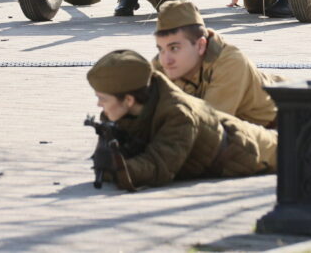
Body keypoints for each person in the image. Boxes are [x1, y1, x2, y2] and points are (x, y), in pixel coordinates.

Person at [86, 49, 277, 190]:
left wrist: (119, 167)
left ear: (128, 100)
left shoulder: (178, 115)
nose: (98, 105)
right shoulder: (122, 110)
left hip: (253, 150)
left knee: (300, 152)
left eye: (102, 99)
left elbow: (158, 167)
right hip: (229, 141)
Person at [151, 0, 280, 127]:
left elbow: (208, 129)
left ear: (201, 45)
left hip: (284, 124)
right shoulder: (161, 63)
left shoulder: (230, 63)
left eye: (174, 48)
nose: (166, 61)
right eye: (161, 49)